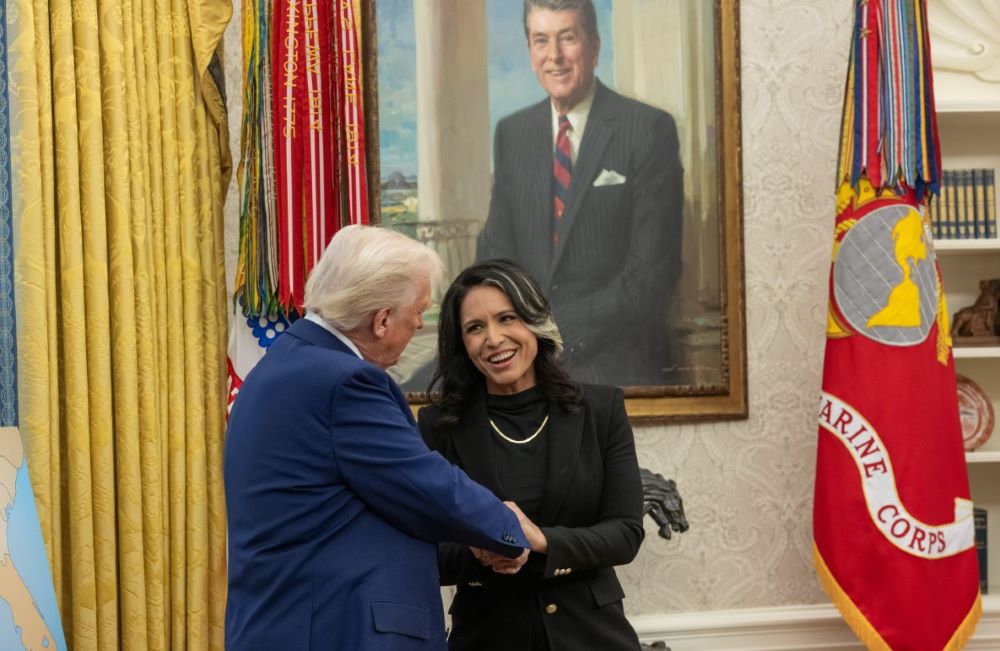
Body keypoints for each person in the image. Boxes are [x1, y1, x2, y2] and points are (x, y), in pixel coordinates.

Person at [224, 226, 536, 650]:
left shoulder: (280, 365)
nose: (420, 324)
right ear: (383, 319)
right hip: (337, 632)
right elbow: (424, 483)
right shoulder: (343, 381)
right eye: (418, 312)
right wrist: (506, 529)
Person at [418, 258, 644, 650]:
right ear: (462, 344)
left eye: (507, 318)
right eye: (475, 328)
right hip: (488, 636)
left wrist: (540, 540)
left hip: (593, 637)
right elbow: (426, 552)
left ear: (535, 323)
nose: (493, 338)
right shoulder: (440, 426)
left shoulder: (601, 410)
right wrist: (483, 552)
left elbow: (625, 533)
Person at [477, 0, 685, 387]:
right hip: (521, 356)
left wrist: (544, 335)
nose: (554, 56)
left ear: (594, 45)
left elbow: (650, 277)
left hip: (615, 357)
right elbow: (494, 255)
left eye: (567, 38)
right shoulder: (512, 134)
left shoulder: (647, 130)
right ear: (529, 50)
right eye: (541, 41)